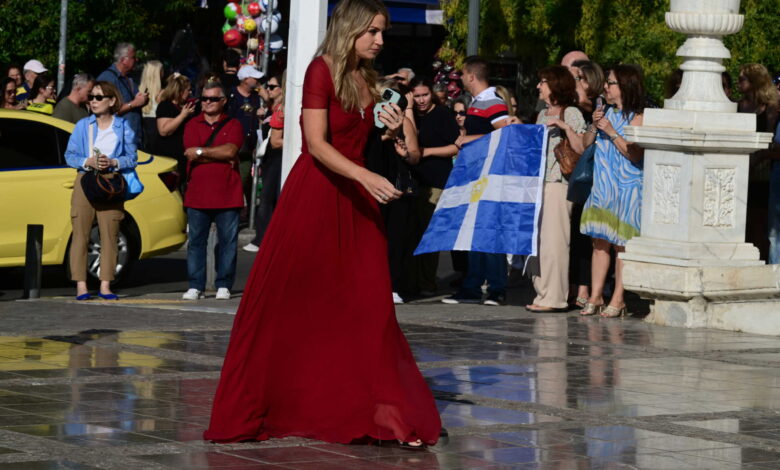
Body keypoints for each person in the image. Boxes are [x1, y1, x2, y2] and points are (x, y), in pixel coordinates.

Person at [204, 0, 441, 447]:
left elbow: (404, 150)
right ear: (350, 29)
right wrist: (367, 175)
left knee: (369, 307)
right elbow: (315, 144)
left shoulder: (369, 79)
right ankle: (283, 401)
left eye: (382, 32)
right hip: (318, 195)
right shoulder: (321, 69)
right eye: (373, 31)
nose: (380, 40)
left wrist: (391, 129)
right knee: (291, 304)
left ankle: (383, 412)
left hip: (359, 199)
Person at [442, 56, 511, 306]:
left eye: (462, 74)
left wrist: (469, 140)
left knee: (489, 231)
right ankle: (472, 286)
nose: (459, 78)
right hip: (476, 175)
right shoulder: (477, 102)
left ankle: (496, 288)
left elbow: (507, 133)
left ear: (471, 76)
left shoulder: (492, 101)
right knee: (473, 231)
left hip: (490, 176)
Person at [580, 65, 645, 318]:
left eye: (611, 83)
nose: (606, 87)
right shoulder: (605, 112)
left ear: (626, 86)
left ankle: (619, 297)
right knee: (599, 243)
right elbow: (586, 145)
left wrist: (610, 131)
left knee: (622, 246)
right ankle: (596, 296)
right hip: (603, 186)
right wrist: (595, 126)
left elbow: (634, 153)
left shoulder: (638, 116)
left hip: (627, 188)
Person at [64, 81, 137, 301]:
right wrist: (88, 161)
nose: (93, 101)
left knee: (110, 233)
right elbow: (70, 156)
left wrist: (113, 162)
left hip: (111, 183)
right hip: (86, 180)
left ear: (111, 101)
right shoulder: (83, 126)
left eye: (98, 97)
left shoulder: (122, 127)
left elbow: (132, 157)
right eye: (91, 97)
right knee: (81, 234)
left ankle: (106, 285)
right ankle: (81, 286)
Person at [526, 66, 586, 313]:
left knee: (555, 242)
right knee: (538, 243)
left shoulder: (571, 112)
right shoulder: (541, 114)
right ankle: (542, 293)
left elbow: (582, 148)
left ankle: (555, 297)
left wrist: (564, 126)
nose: (539, 86)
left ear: (555, 85)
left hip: (558, 183)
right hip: (539, 184)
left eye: (543, 81)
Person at [180, 81, 244, 301]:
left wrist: (201, 152)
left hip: (228, 194)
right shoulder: (191, 124)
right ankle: (195, 285)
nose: (207, 103)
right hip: (197, 194)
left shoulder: (234, 124)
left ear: (223, 101)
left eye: (213, 99)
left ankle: (224, 284)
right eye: (204, 98)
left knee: (228, 243)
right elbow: (189, 153)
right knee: (196, 242)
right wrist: (212, 153)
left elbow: (231, 150)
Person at [408, 76, 461, 299]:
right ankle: (413, 280)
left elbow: (456, 146)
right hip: (413, 182)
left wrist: (426, 152)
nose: (421, 100)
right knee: (412, 233)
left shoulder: (442, 115)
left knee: (429, 235)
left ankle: (427, 282)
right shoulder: (409, 115)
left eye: (425, 95)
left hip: (436, 181)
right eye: (417, 96)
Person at [567, 60, 605, 308]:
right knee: (578, 233)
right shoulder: (576, 108)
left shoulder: (601, 107)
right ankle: (577, 287)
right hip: (583, 178)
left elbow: (584, 146)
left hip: (598, 176)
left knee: (593, 235)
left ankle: (587, 289)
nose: (576, 83)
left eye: (580, 78)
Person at [738, 63, 778, 261]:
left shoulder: (770, 108)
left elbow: (770, 138)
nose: (738, 83)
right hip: (741, 169)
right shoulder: (738, 106)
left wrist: (757, 159)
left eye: (742, 79)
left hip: (761, 170)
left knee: (760, 222)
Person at [243, 71, 286, 252]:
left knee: (268, 198)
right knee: (266, 197)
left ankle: (262, 239)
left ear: (283, 89)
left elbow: (276, 141)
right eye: (267, 86)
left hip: (277, 158)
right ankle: (264, 237)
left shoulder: (282, 109)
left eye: (272, 87)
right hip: (268, 158)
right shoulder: (272, 108)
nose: (268, 89)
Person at [226, 65, 264, 214]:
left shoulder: (255, 97)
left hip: (249, 146)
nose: (257, 80)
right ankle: (231, 211)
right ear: (245, 79)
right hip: (233, 145)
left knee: (245, 178)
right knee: (235, 180)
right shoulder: (232, 96)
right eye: (254, 77)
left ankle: (242, 211)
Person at [97, 42, 149, 147]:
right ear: (123, 60)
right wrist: (133, 104)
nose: (136, 60)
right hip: (117, 142)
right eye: (133, 57)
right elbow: (104, 110)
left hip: (134, 139)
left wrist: (142, 100)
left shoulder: (129, 79)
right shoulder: (108, 78)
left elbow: (135, 101)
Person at [155, 73, 196, 179]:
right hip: (169, 156)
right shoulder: (165, 106)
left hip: (183, 156)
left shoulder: (182, 106)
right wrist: (182, 115)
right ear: (180, 91)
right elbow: (164, 130)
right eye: (188, 90)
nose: (190, 92)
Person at [139, 60, 164, 152]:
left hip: (143, 129)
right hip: (157, 129)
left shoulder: (138, 92)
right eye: (162, 71)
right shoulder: (162, 94)